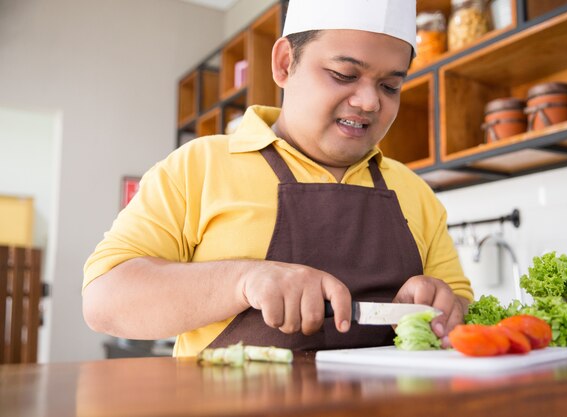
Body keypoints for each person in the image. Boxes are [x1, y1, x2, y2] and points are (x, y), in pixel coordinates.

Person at [83, 0, 473, 357]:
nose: (370, 101)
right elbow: (104, 301)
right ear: (286, 63)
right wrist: (243, 279)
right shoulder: (197, 167)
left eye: (391, 85)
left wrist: (445, 305)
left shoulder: (415, 192)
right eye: (344, 74)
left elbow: (462, 306)